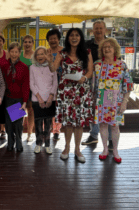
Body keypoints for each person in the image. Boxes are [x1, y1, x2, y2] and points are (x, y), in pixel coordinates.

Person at [51, 28, 94, 163]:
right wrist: (50, 59)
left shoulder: (86, 52)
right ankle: (67, 147)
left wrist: (85, 78)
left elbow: (90, 71)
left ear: (80, 37)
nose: (74, 38)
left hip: (81, 91)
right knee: (68, 122)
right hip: (66, 92)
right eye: (71, 35)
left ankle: (77, 149)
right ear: (67, 38)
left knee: (79, 123)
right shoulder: (62, 53)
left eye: (76, 35)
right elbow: (53, 69)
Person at [94, 38, 133, 163]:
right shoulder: (98, 65)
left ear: (115, 49)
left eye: (110, 46)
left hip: (116, 100)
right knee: (103, 125)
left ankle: (115, 150)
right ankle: (105, 149)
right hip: (101, 99)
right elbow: (93, 85)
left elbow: (128, 85)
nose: (107, 49)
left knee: (115, 126)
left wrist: (125, 101)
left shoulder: (122, 65)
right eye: (104, 47)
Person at [82, 20, 113, 149]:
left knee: (109, 110)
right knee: (94, 109)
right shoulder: (87, 44)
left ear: (105, 30)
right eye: (96, 29)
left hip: (109, 83)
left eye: (101, 28)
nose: (99, 31)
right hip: (93, 82)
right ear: (92, 31)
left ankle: (111, 140)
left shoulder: (111, 43)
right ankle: (94, 136)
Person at [2, 42, 29, 152]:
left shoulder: (23, 67)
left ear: (19, 53)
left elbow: (26, 85)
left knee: (18, 124)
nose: (14, 54)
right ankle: (10, 141)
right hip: (8, 98)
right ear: (9, 52)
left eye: (16, 52)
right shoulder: (4, 66)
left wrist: (25, 101)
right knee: (8, 124)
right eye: (12, 51)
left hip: (18, 99)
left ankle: (18, 142)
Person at [30, 46, 58, 154]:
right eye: (38, 54)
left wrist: (51, 97)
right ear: (35, 56)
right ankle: (38, 143)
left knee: (48, 123)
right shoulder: (32, 67)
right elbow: (31, 84)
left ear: (46, 55)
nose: (40, 56)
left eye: (43, 54)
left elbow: (55, 83)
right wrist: (40, 98)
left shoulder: (51, 67)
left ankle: (47, 144)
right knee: (38, 123)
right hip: (37, 99)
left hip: (50, 98)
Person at [46, 29, 63, 141]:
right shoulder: (46, 52)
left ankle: (56, 130)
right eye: (50, 38)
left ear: (58, 39)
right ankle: (46, 129)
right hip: (47, 83)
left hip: (62, 82)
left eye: (55, 38)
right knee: (47, 106)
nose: (53, 40)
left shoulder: (63, 51)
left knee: (58, 107)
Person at [20, 35, 36, 142]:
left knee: (31, 110)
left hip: (32, 87)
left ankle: (29, 133)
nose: (27, 44)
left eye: (29, 42)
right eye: (25, 42)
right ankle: (17, 133)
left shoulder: (36, 55)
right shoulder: (19, 54)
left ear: (33, 43)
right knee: (18, 109)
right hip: (19, 87)